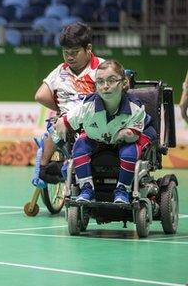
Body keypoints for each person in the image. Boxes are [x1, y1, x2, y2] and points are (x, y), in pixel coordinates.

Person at [53, 60, 156, 203]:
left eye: (112, 81)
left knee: (129, 151)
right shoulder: (87, 106)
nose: (105, 86)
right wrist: (60, 127)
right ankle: (86, 189)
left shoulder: (135, 107)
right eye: (100, 82)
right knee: (79, 147)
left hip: (134, 135)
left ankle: (122, 191)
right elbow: (64, 122)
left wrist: (127, 134)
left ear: (124, 83)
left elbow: (132, 136)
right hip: (99, 137)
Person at [34, 22, 104, 183]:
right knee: (55, 127)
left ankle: (59, 168)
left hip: (94, 119)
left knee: (61, 128)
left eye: (75, 52)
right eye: (66, 52)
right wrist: (61, 109)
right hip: (66, 121)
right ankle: (45, 168)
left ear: (88, 48)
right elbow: (40, 96)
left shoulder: (101, 68)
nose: (70, 57)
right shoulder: (60, 70)